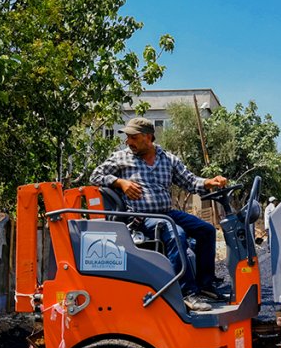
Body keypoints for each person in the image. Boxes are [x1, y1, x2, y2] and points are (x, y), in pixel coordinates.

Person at [89, 117, 228, 312]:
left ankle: (205, 284)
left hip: (166, 213)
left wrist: (208, 182)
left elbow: (189, 181)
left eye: (133, 137)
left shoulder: (168, 159)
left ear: (148, 137)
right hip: (141, 216)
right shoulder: (122, 157)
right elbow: (95, 176)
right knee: (176, 233)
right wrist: (120, 182)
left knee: (206, 230)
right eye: (127, 137)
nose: (128, 142)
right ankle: (187, 293)